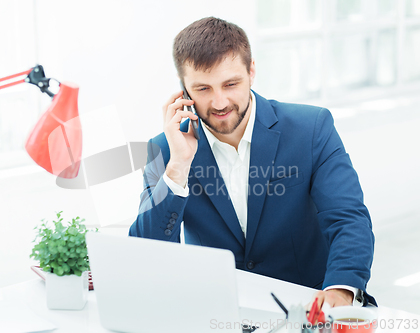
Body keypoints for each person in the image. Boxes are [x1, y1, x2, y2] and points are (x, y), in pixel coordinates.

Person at [129, 17, 376, 308]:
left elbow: (348, 219)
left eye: (231, 84)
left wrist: (340, 291)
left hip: (307, 307)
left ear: (252, 71)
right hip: (217, 311)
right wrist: (178, 167)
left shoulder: (311, 129)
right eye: (203, 89)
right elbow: (145, 254)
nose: (220, 103)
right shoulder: (165, 149)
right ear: (183, 90)